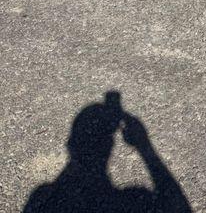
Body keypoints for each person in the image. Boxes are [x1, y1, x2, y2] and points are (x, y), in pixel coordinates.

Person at [23, 91, 192, 212]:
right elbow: (178, 207)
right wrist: (145, 148)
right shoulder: (132, 202)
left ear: (71, 143)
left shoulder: (44, 198)